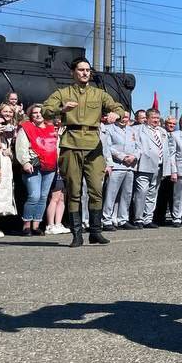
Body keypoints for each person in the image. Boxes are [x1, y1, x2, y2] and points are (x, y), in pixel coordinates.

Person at [41, 57, 125, 247]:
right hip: (71, 143)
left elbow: (118, 107)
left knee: (96, 189)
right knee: (74, 191)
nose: (85, 73)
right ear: (73, 72)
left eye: (88, 70)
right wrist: (62, 108)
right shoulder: (63, 93)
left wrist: (116, 114)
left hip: (94, 144)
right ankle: (77, 234)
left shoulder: (99, 94)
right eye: (81, 70)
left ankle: (95, 232)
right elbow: (45, 110)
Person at [17, 104, 58, 236]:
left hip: (50, 166)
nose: (38, 114)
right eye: (35, 113)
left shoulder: (52, 128)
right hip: (34, 164)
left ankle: (36, 225)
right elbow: (21, 146)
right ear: (31, 115)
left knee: (43, 196)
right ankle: (26, 225)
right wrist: (25, 162)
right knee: (34, 195)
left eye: (40, 112)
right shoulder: (26, 128)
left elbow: (56, 147)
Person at [130, 109, 172, 229]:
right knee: (141, 193)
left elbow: (166, 150)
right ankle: (138, 218)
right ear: (147, 118)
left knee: (152, 194)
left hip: (159, 166)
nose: (156, 120)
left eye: (157, 118)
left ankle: (148, 218)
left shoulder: (162, 131)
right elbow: (135, 146)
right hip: (144, 166)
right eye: (153, 118)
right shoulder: (138, 130)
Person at [101, 110, 139, 229]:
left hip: (130, 166)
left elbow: (138, 146)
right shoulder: (109, 129)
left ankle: (122, 219)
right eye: (122, 117)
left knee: (126, 194)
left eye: (126, 117)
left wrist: (135, 156)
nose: (124, 119)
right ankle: (107, 219)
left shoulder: (132, 130)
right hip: (117, 165)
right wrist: (122, 157)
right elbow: (108, 147)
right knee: (111, 194)